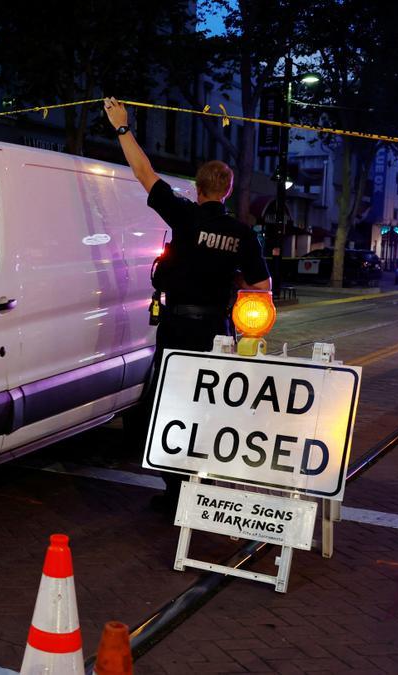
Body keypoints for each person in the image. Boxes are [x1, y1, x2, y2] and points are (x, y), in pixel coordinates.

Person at [104, 97, 271, 514]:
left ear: (197, 189)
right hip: (217, 333)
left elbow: (143, 172)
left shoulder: (184, 216)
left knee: (168, 407)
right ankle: (202, 488)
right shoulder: (242, 234)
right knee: (208, 410)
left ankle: (176, 490)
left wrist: (122, 127)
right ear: (228, 190)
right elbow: (262, 287)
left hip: (177, 329)